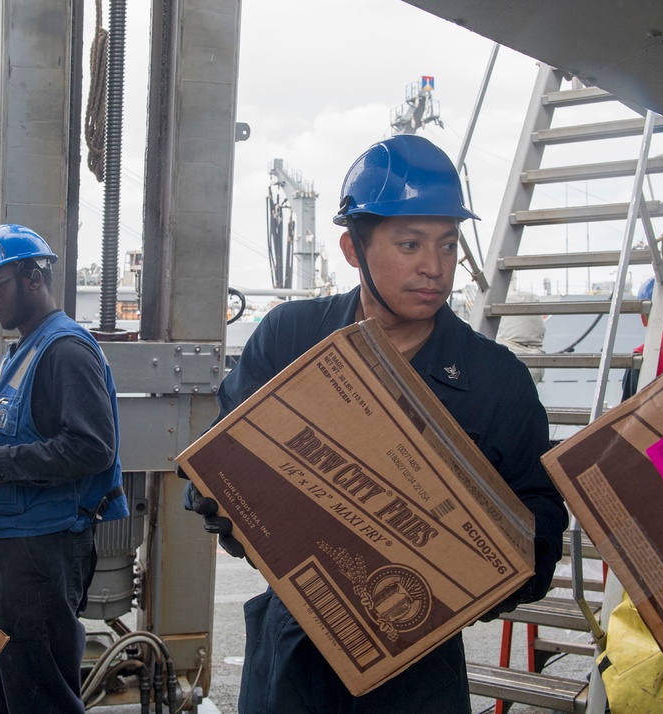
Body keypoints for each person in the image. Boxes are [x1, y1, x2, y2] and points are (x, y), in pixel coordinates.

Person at [186, 134, 569, 713]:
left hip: (419, 666)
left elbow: (539, 518)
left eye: (447, 244)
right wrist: (233, 511)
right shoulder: (290, 339)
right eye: (410, 243)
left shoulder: (497, 382)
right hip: (292, 651)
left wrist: (487, 573)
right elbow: (212, 474)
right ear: (352, 247)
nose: (434, 268)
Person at [0, 224, 129, 714]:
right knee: (16, 691)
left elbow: (92, 448)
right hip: (14, 545)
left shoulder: (65, 350)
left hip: (45, 550)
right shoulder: (24, 352)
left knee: (41, 698)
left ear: (33, 276)